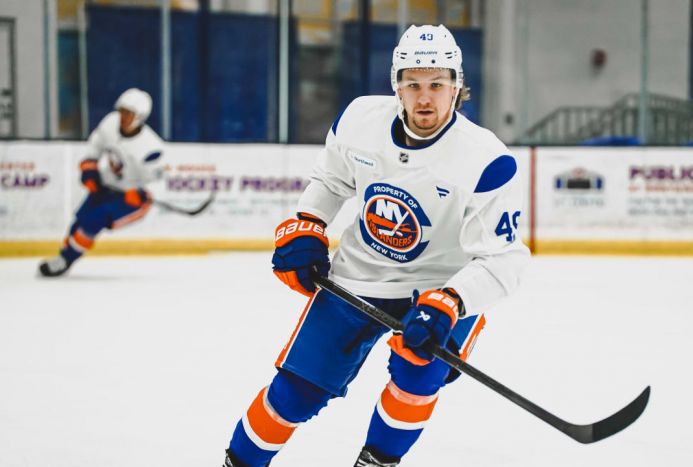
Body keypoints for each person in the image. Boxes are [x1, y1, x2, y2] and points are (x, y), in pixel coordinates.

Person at [224, 24, 529, 467]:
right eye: (413, 84)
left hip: (440, 290)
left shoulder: (487, 160)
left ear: (457, 86)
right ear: (396, 86)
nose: (425, 98)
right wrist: (309, 223)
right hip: (358, 276)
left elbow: (503, 260)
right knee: (294, 392)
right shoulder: (359, 120)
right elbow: (331, 180)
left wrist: (451, 301)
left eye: (437, 84)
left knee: (416, 378)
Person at [38, 88, 164, 277]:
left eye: (129, 114)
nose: (123, 117)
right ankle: (63, 256)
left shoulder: (151, 148)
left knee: (93, 221)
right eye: (122, 111)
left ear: (140, 117)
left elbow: (159, 182)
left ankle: (66, 260)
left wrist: (142, 193)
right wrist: (90, 167)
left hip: (130, 199)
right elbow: (96, 144)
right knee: (81, 218)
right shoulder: (111, 122)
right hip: (106, 184)